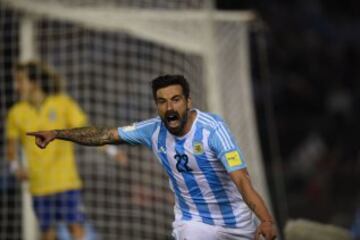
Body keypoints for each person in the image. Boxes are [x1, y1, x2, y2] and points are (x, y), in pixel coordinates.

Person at [27, 74, 277, 240]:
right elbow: (104, 134)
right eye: (162, 102)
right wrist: (57, 133)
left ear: (188, 101)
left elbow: (242, 179)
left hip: (237, 221)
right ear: (156, 106)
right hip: (194, 222)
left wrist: (265, 219)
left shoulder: (213, 130)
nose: (170, 108)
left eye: (176, 100)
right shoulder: (152, 130)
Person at [5, 61, 89, 240]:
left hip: (66, 182)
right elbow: (11, 147)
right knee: (47, 234)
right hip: (39, 185)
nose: (16, 86)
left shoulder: (62, 103)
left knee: (75, 228)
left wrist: (111, 150)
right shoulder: (16, 113)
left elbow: (86, 131)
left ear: (34, 83)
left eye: (20, 81)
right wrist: (15, 168)